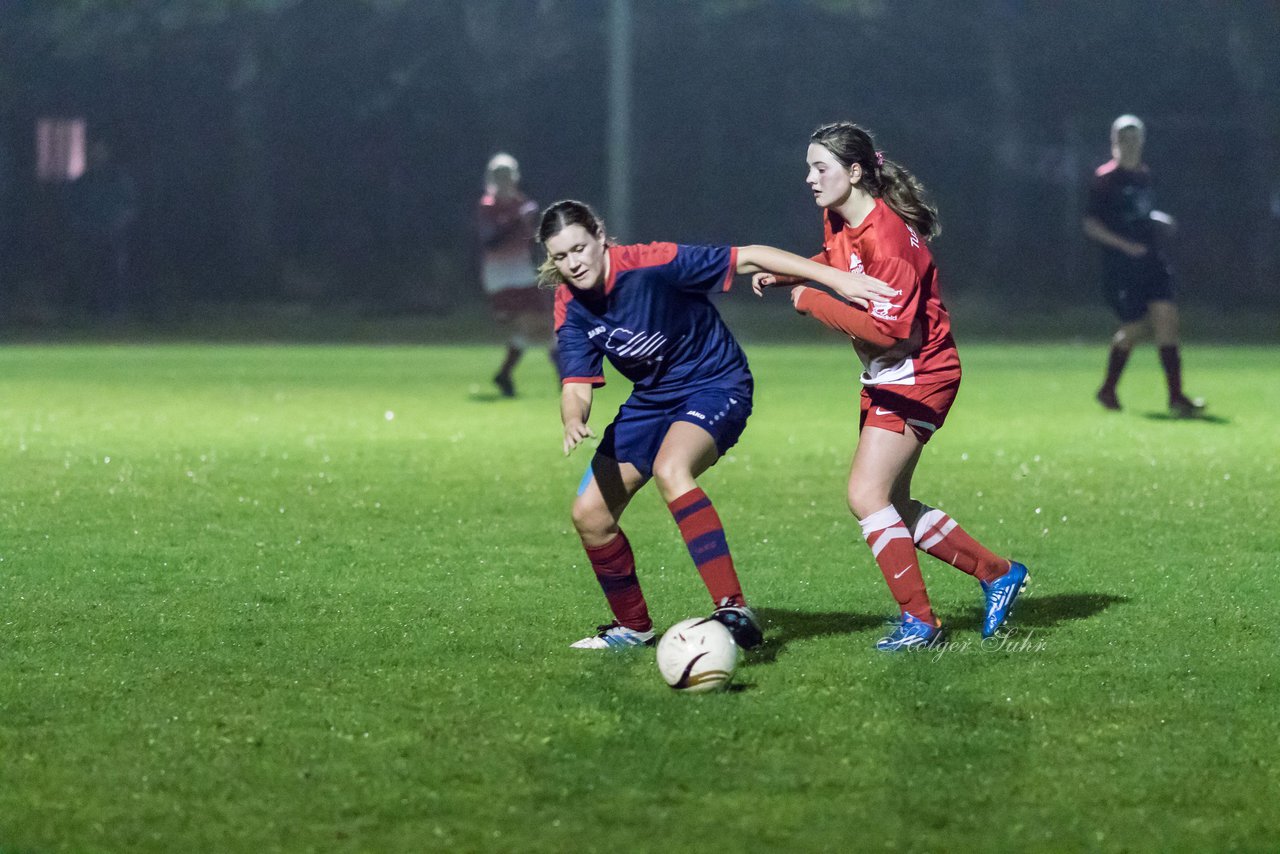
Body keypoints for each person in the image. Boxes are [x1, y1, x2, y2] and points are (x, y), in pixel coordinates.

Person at [542, 199, 895, 650]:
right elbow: (575, 385)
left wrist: (837, 278)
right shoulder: (570, 304)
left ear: (599, 236)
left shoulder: (652, 264)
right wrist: (574, 419)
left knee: (673, 468)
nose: (573, 264)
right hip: (651, 401)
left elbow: (748, 256)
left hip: (715, 384)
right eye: (561, 257)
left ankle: (732, 607)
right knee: (590, 515)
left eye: (579, 249)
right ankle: (632, 628)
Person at [754, 122, 1028, 652]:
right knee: (892, 504)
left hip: (919, 374)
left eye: (820, 168)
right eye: (809, 167)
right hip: (891, 374)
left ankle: (921, 623)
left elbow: (891, 330)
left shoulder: (891, 240)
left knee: (865, 495)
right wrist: (793, 274)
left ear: (855, 173)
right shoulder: (841, 216)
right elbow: (838, 262)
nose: (809, 178)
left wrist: (812, 301)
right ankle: (997, 574)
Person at [1083, 115, 1205, 417]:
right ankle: (1108, 388)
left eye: (1135, 138)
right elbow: (1091, 224)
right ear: (1114, 142)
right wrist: (1125, 246)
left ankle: (1176, 397)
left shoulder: (1144, 175)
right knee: (1135, 328)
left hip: (1151, 260)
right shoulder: (1104, 179)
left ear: (1142, 141)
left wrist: (1157, 219)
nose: (1130, 143)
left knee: (1167, 319)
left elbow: (1139, 212)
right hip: (1122, 267)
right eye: (1123, 138)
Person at [477, 152, 553, 397]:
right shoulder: (488, 206)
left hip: (521, 272)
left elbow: (528, 240)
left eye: (507, 175)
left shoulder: (522, 203)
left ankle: (505, 374)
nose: (504, 180)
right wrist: (516, 221)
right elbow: (491, 241)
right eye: (499, 175)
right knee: (534, 326)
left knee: (542, 328)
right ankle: (567, 376)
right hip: (500, 275)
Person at [66, 141, 136, 319]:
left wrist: (117, 225)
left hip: (115, 235)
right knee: (91, 271)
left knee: (115, 271)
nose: (98, 155)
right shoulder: (84, 181)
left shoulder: (119, 178)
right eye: (94, 152)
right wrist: (84, 228)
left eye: (101, 151)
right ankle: (93, 310)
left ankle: (117, 310)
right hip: (89, 236)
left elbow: (129, 206)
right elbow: (74, 208)